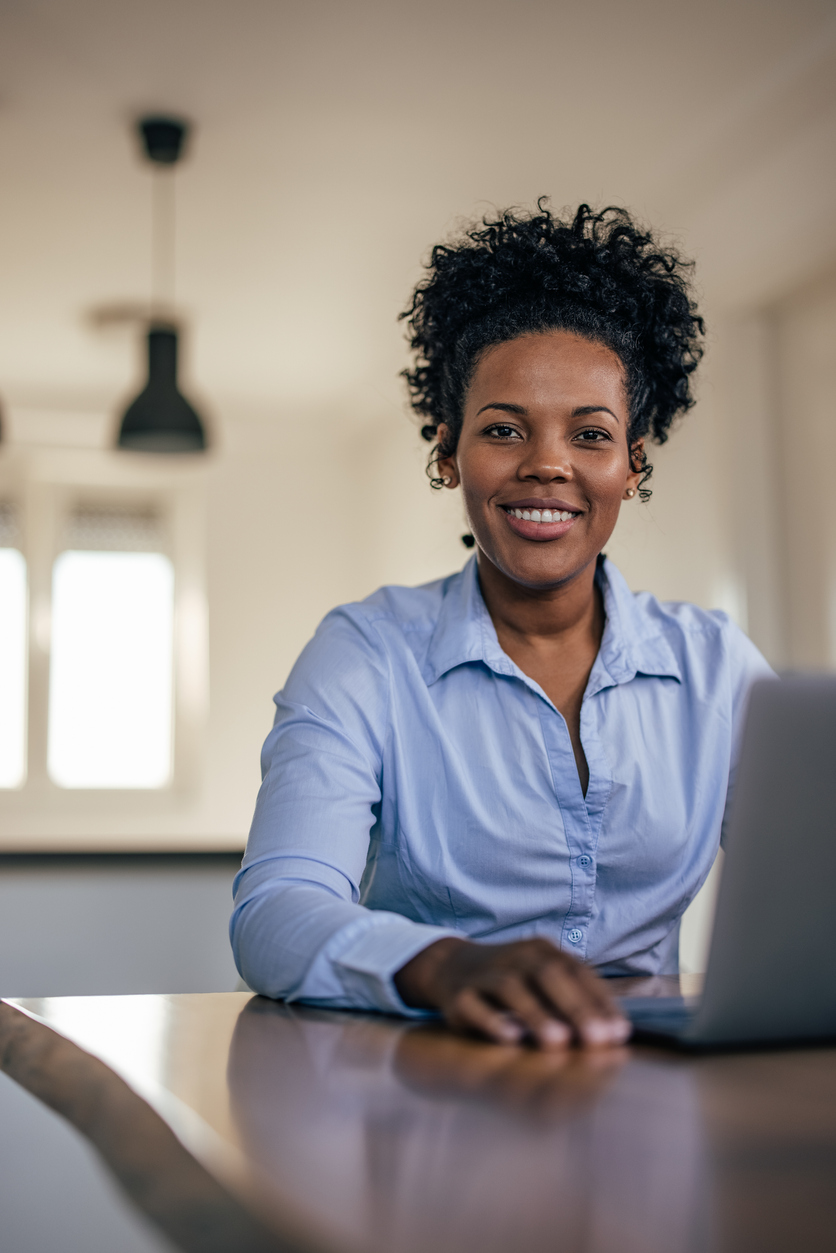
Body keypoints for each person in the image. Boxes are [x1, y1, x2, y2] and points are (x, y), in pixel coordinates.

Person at [231, 202, 773, 1049]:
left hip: (656, 1090)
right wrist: (444, 965)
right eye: (503, 429)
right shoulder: (365, 653)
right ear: (449, 452)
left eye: (590, 433)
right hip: (436, 1083)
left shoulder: (718, 668)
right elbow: (275, 912)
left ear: (633, 464)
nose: (547, 462)